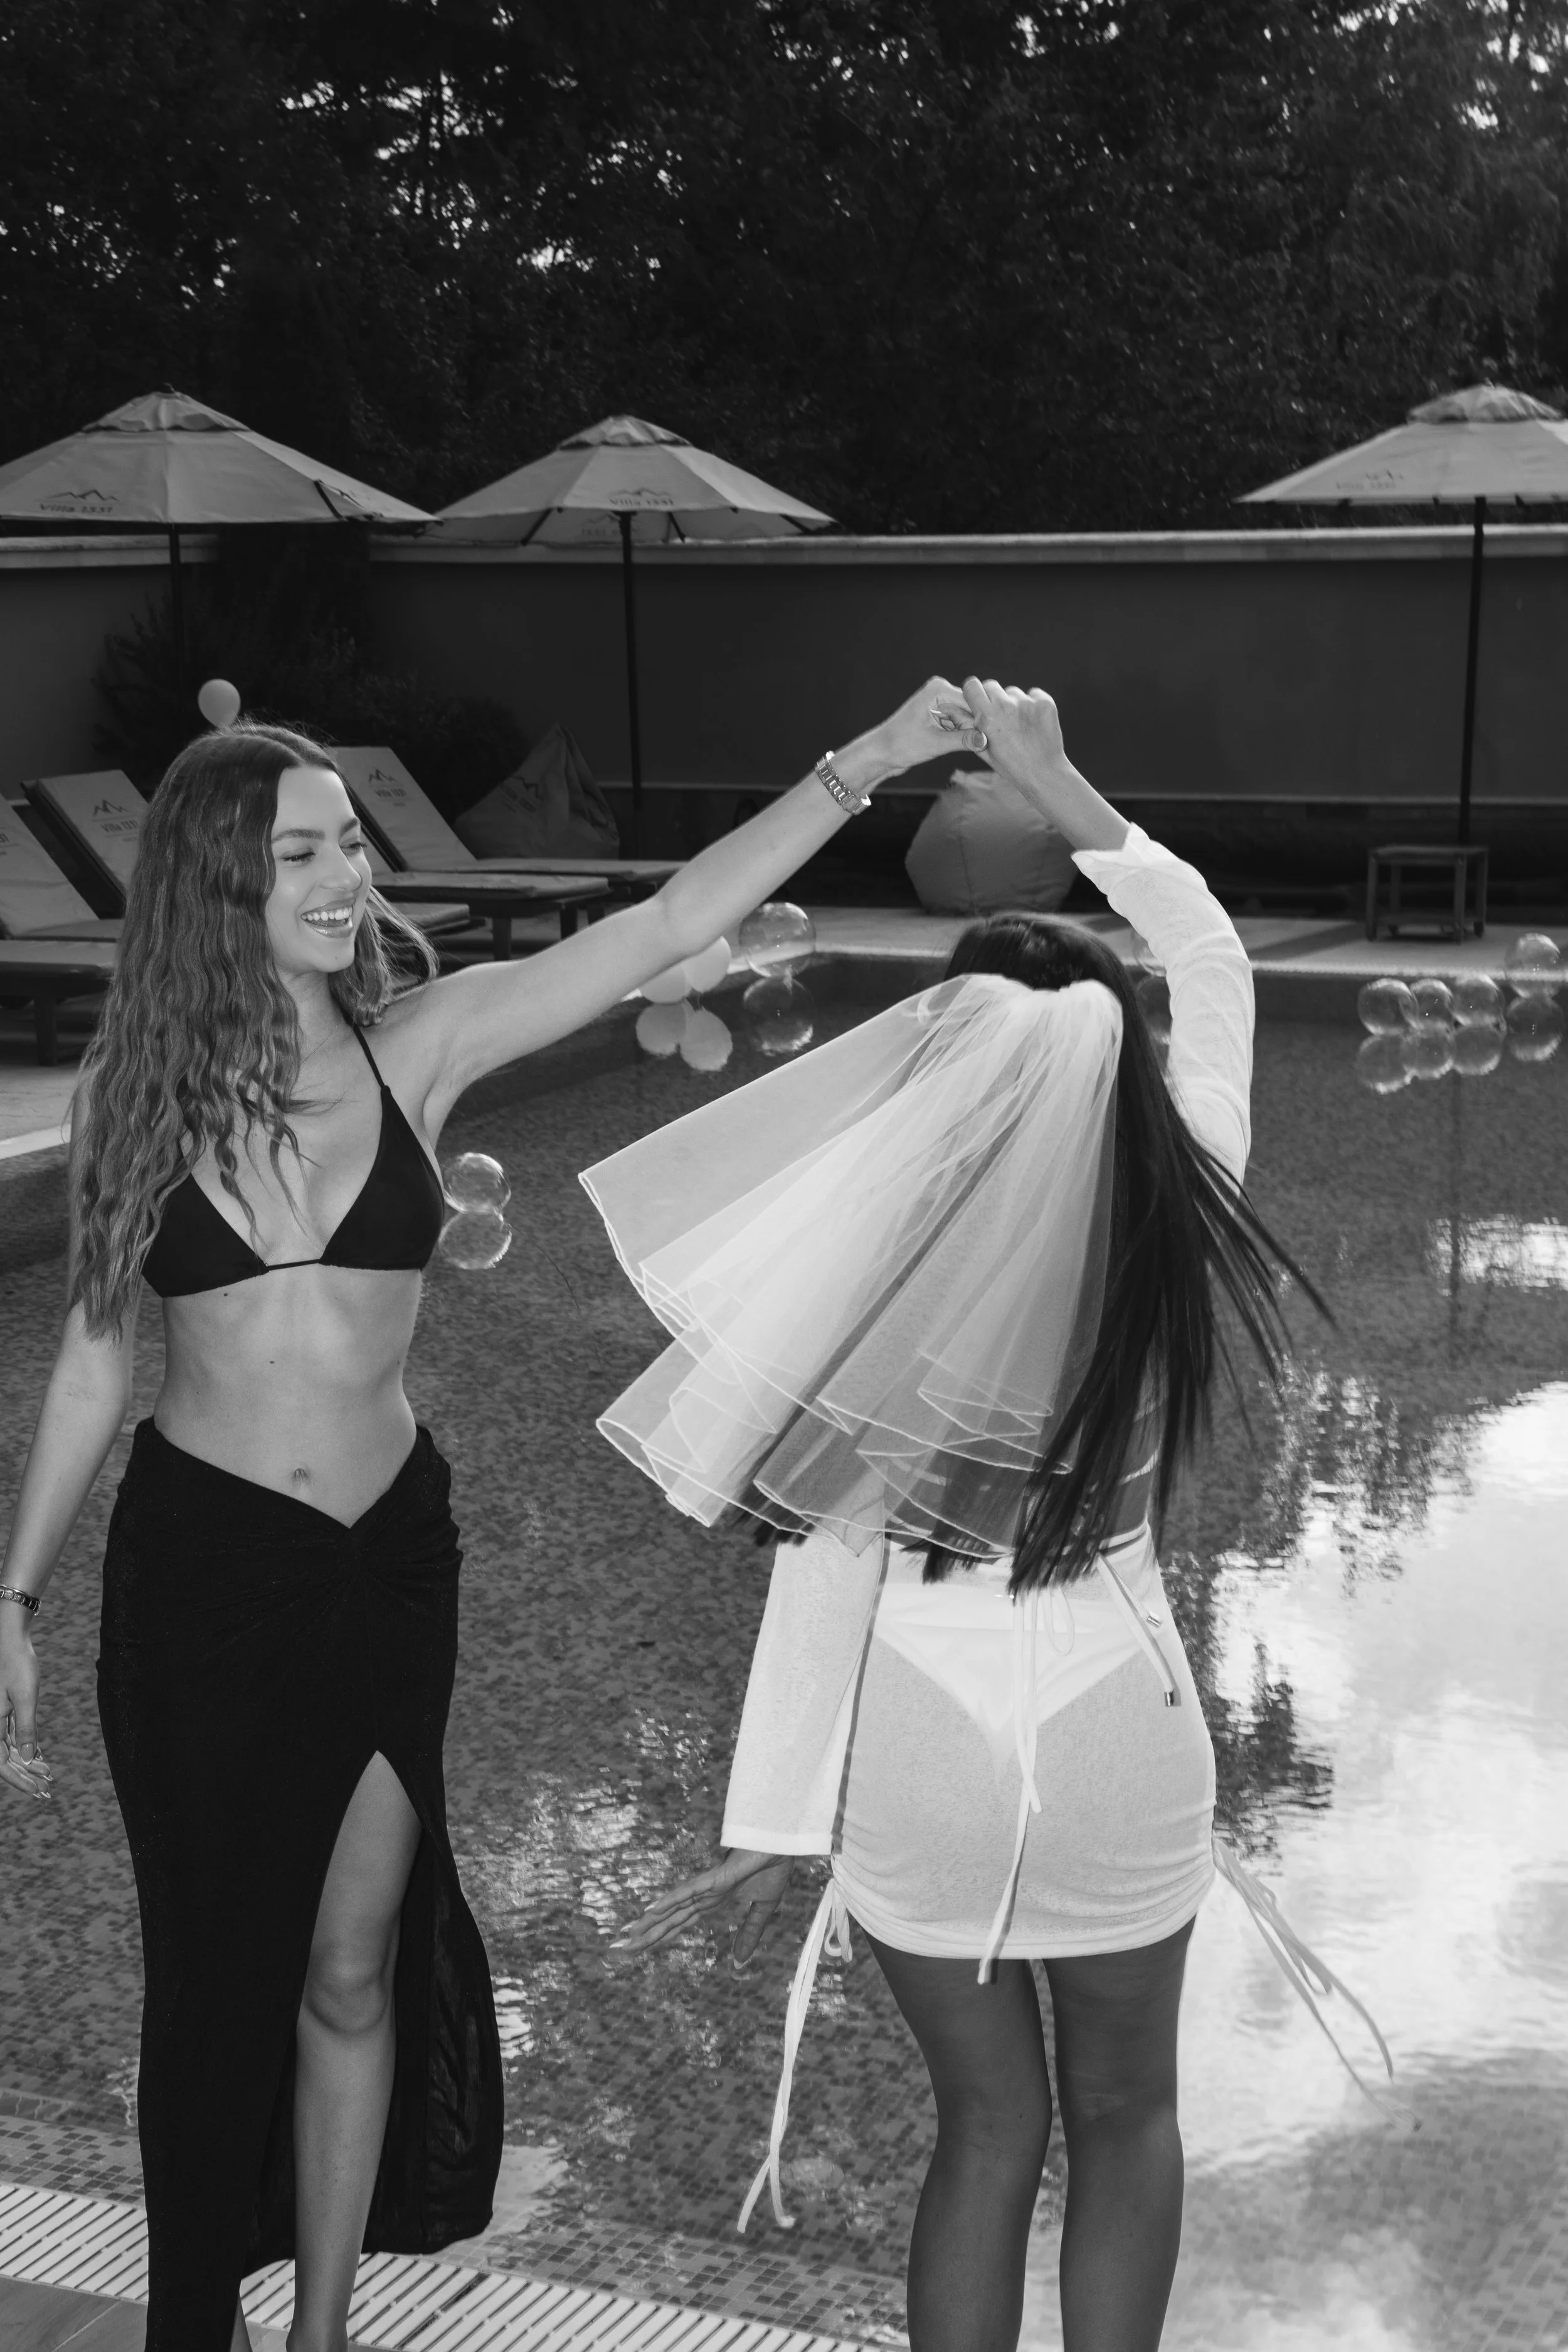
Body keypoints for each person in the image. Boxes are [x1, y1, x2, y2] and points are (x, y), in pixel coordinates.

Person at [0, 684, 980, 2352]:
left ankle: (320, 2324)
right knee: (211, 1985)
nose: (339, 875)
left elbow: (670, 919)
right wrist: (11, 1597)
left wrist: (863, 765)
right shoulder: (133, 1104)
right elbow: (93, 1365)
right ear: (216, 882)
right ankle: (192, 2328)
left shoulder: (424, 1045)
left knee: (353, 1964)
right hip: (203, 1576)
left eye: (342, 844)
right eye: (299, 849)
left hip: (386, 1560)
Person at [592, 680, 1344, 2352]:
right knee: (1127, 2125)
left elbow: (825, 1567)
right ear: (1113, 1058)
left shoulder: (880, 1271)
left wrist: (766, 1816)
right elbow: (1207, 952)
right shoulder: (1182, 1199)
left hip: (917, 1733)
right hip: (1110, 1721)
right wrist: (1059, 781)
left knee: (981, 2136)